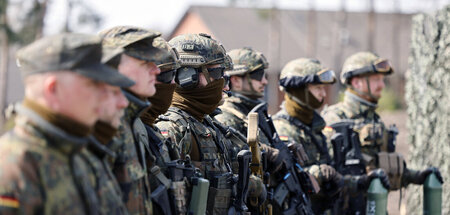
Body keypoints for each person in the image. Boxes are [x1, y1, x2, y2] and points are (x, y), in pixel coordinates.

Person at [0, 33, 133, 214]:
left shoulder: (79, 153)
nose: (104, 96)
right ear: (53, 89)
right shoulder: (13, 167)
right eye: (93, 85)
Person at [321, 51, 443, 214]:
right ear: (357, 82)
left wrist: (416, 176)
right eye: (376, 79)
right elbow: (327, 175)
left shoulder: (375, 121)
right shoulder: (334, 120)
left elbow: (382, 169)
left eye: (382, 79)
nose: (382, 85)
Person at [272, 58, 390, 214]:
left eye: (323, 88)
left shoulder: (315, 127)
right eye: (317, 88)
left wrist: (362, 181)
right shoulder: (281, 129)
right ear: (298, 90)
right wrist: (318, 172)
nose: (323, 93)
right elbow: (286, 180)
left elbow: (333, 179)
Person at [155, 33, 238, 214]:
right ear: (187, 76)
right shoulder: (172, 128)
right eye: (217, 73)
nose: (225, 85)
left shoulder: (207, 124)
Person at [99, 26, 164, 215]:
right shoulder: (103, 126)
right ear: (113, 66)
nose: (156, 70)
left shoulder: (128, 122)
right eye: (145, 63)